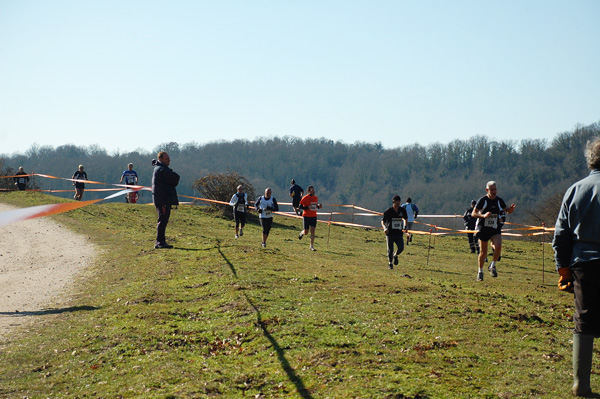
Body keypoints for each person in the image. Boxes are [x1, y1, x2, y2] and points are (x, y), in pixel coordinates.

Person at [553, 137, 600, 397]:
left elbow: (560, 236)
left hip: (584, 265)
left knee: (583, 320)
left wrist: (563, 270)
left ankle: (581, 384)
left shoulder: (576, 189)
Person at [472, 181, 516, 281]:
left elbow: (507, 210)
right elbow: (473, 214)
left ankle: (492, 265)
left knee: (498, 247)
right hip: (483, 228)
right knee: (483, 252)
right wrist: (483, 215)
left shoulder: (499, 200)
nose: (494, 191)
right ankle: (480, 271)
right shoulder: (483, 200)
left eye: (495, 189)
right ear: (487, 190)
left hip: (495, 228)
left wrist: (510, 210)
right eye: (492, 190)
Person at [152, 152, 180, 249]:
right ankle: (160, 242)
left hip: (163, 199)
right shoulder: (161, 170)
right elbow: (175, 178)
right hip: (163, 200)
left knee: (164, 220)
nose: (169, 161)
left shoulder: (160, 169)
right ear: (161, 159)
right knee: (162, 220)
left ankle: (161, 241)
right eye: (167, 159)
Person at [381, 195, 408, 269]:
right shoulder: (388, 211)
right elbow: (383, 221)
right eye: (397, 201)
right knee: (390, 249)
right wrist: (384, 228)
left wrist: (406, 227)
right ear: (393, 202)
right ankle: (390, 263)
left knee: (401, 248)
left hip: (399, 233)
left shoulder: (402, 210)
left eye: (399, 201)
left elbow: (406, 218)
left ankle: (395, 255)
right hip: (390, 233)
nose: (398, 203)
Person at [298, 185, 322, 251]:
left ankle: (311, 246)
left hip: (313, 216)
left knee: (313, 230)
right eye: (312, 190)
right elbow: (300, 206)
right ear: (308, 191)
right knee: (306, 232)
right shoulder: (305, 198)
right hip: (306, 216)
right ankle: (301, 233)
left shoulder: (316, 198)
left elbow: (315, 206)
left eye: (314, 190)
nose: (313, 191)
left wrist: (319, 206)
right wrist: (307, 208)